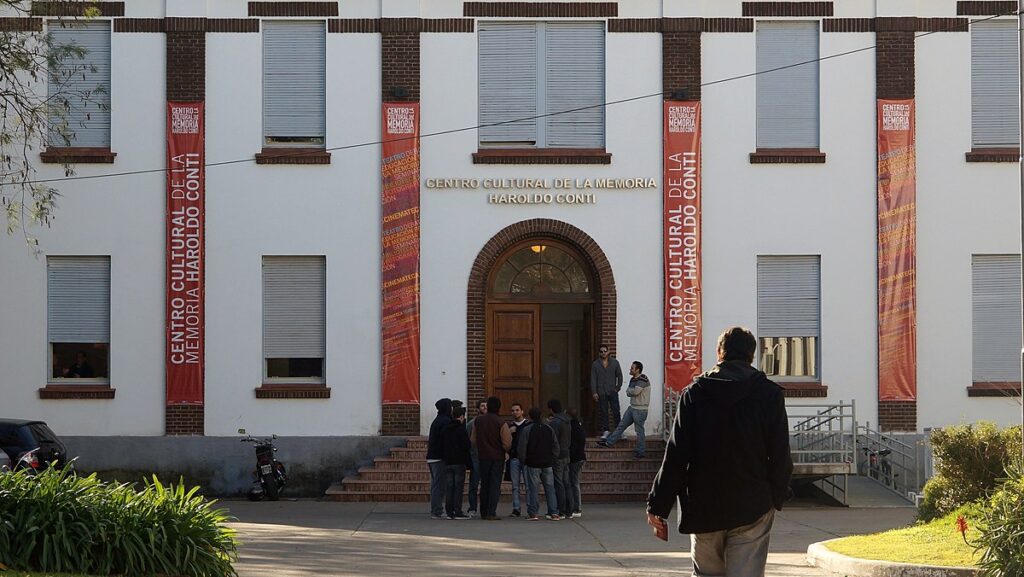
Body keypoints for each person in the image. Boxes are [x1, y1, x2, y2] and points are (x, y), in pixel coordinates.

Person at [647, 327, 793, 577]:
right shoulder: (768, 394)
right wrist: (775, 497)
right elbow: (780, 452)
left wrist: (658, 505)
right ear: (752, 355)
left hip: (704, 504)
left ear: (719, 353)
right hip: (752, 502)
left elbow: (677, 455)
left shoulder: (694, 394)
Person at [470, 396, 511, 520]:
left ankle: (483, 511)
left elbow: (473, 440)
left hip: (483, 456)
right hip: (497, 457)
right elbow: (507, 442)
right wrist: (505, 450)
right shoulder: (501, 422)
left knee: (484, 484)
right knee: (494, 484)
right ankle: (491, 512)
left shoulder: (478, 421)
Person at [598, 361, 650, 458]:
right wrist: (632, 391)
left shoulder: (643, 379)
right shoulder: (632, 379)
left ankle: (641, 452)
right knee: (621, 425)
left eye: (632, 368)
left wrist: (631, 391)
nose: (630, 369)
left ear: (638, 370)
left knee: (639, 431)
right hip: (632, 407)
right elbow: (628, 392)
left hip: (640, 409)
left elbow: (635, 392)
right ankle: (609, 443)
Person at [518, 407, 560, 520]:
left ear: (530, 417)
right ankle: (554, 512)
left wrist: (524, 460)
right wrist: (553, 458)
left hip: (533, 463)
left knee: (533, 489)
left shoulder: (527, 430)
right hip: (547, 463)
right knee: (550, 488)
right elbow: (555, 445)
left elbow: (522, 447)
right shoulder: (548, 428)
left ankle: (533, 513)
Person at [442, 406, 472, 519]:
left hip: (448, 461)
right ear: (461, 417)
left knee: (449, 487)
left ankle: (449, 512)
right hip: (459, 461)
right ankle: (457, 511)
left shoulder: (446, 429)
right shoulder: (461, 429)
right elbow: (466, 445)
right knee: (458, 487)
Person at [426, 398, 453, 520]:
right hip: (439, 458)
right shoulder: (445, 421)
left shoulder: (437, 420)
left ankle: (436, 509)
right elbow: (446, 440)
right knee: (439, 485)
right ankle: (437, 511)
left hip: (432, 457)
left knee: (435, 484)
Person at [546, 399, 573, 518]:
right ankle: (569, 509)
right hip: (567, 453)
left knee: (559, 483)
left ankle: (561, 509)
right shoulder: (568, 421)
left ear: (551, 409)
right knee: (566, 482)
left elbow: (553, 440)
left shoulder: (555, 422)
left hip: (558, 455)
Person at [590, 344, 623, 438]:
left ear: (608, 352)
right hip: (601, 391)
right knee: (603, 411)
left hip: (612, 390)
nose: (603, 353)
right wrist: (594, 392)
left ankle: (619, 431)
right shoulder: (595, 364)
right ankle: (606, 430)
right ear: (599, 353)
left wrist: (617, 387)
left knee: (616, 411)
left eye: (605, 351)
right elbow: (593, 379)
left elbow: (619, 376)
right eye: (601, 351)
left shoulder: (615, 362)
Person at [465, 399, 487, 518]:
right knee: (474, 484)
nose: (485, 408)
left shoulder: (491, 422)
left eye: (486, 406)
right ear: (478, 409)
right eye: (482, 406)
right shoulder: (471, 424)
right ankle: (472, 507)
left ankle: (486, 507)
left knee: (486, 484)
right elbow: (468, 441)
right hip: (475, 457)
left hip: (487, 457)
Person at [506, 403, 529, 517]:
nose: (515, 412)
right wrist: (510, 433)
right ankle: (516, 508)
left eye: (517, 410)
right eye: (513, 410)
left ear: (522, 411)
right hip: (514, 458)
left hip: (526, 458)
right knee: (515, 486)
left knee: (528, 484)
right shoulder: (510, 426)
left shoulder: (527, 425)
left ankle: (530, 507)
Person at [566, 407, 587, 518]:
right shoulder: (579, 426)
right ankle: (576, 506)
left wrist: (569, 455)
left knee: (573, 482)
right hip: (580, 457)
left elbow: (573, 445)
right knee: (574, 482)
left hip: (575, 458)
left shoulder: (572, 428)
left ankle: (576, 507)